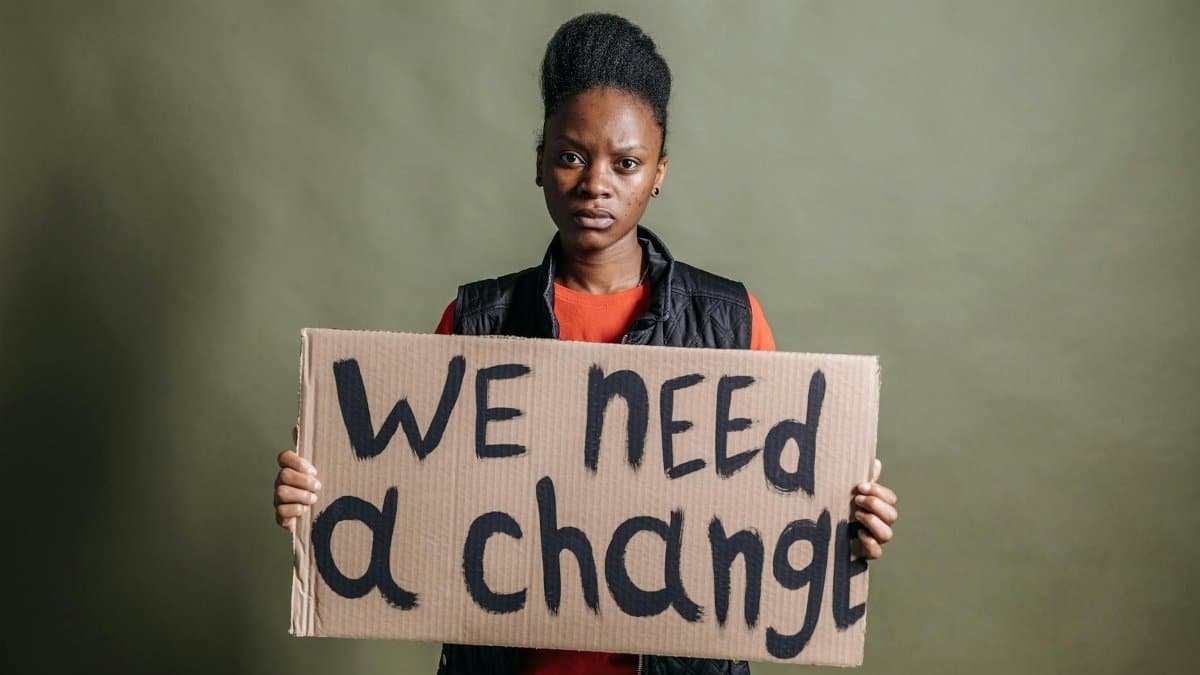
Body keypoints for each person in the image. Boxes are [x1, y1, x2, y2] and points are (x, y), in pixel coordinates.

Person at [273, 12, 899, 675]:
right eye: (572, 156)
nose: (596, 183)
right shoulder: (477, 321)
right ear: (540, 162)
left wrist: (844, 525)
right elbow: (414, 503)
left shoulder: (730, 322)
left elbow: (771, 514)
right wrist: (323, 494)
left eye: (626, 163)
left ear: (658, 172)